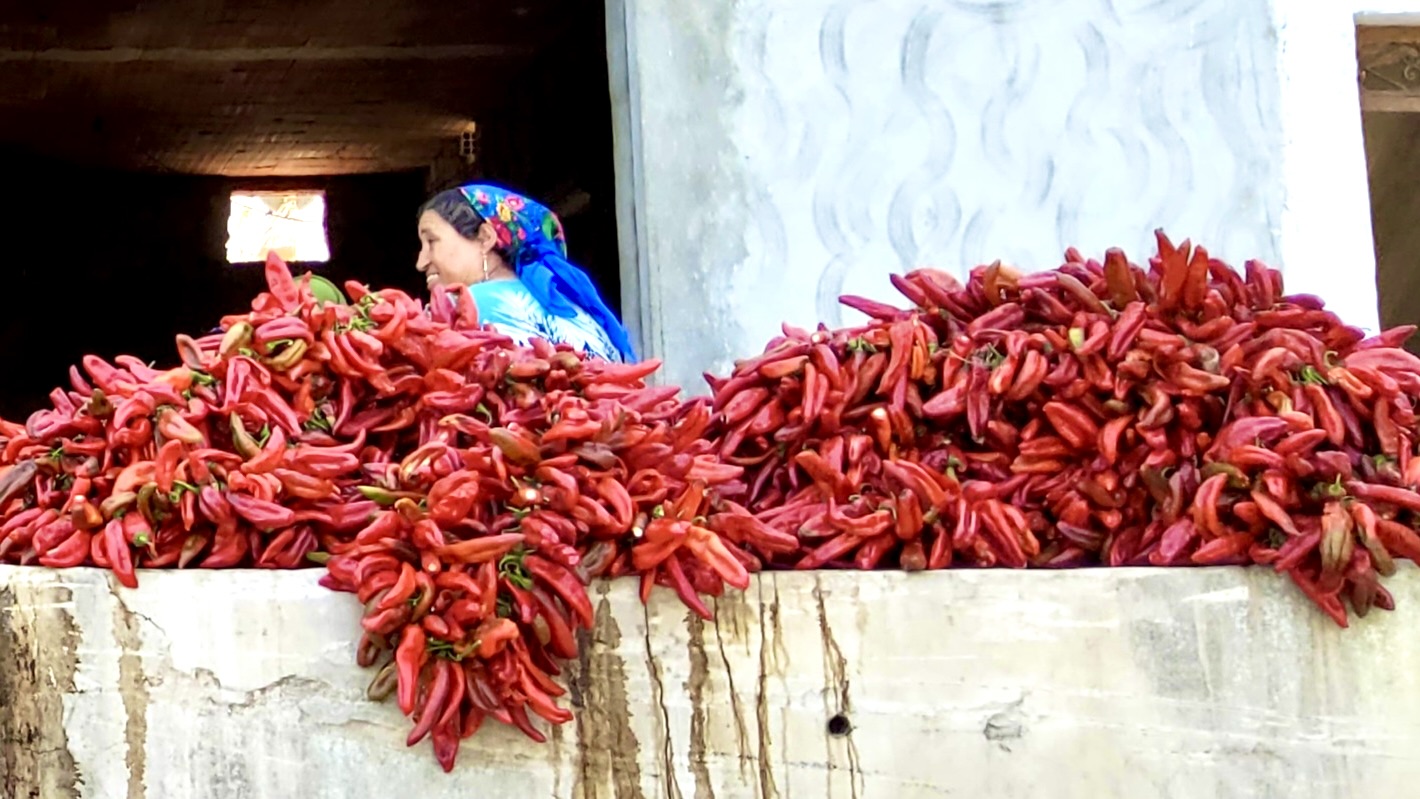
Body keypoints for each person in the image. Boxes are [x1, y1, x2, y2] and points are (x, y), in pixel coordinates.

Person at [416, 184, 636, 363]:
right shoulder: (579, 313)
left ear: (485, 238)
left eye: (431, 241)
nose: (421, 262)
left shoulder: (461, 308)